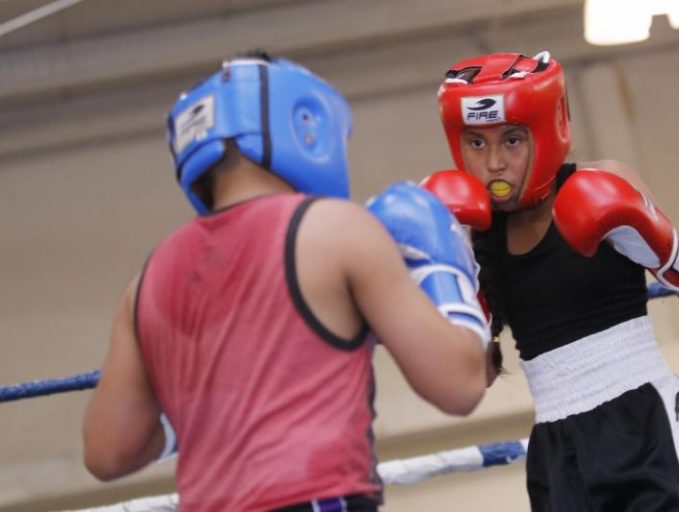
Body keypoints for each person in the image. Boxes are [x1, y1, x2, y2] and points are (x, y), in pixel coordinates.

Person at [82, 51, 491, 512]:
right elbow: (459, 385)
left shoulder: (147, 281)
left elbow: (107, 451)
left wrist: (201, 418)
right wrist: (444, 273)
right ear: (303, 122)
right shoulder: (333, 230)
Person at [428, 50, 679, 511]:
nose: (493, 164)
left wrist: (653, 235)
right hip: (557, 449)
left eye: (511, 140)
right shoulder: (471, 235)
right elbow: (479, 376)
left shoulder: (604, 182)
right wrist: (454, 277)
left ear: (547, 132)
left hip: (646, 425)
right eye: (476, 143)